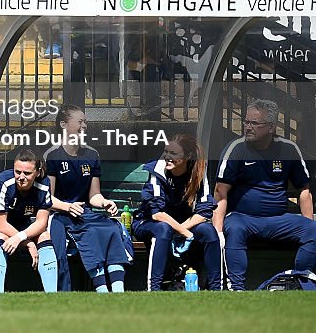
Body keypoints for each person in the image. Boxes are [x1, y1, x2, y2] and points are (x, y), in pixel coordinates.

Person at [214, 99, 316, 290]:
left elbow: (304, 190)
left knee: (313, 230)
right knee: (234, 229)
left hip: (278, 219)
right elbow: (221, 191)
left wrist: (307, 222)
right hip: (243, 218)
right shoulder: (236, 149)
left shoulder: (288, 149)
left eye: (254, 123)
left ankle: (302, 281)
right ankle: (237, 288)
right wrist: (218, 232)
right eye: (246, 122)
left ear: (271, 127)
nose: (248, 127)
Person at [44, 105, 129, 292]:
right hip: (61, 215)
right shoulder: (52, 155)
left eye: (86, 122)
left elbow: (94, 196)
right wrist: (67, 207)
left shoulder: (92, 154)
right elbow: (47, 198)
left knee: (112, 227)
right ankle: (102, 290)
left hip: (85, 213)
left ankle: (118, 290)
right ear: (63, 124)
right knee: (90, 233)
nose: (84, 126)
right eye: (80, 121)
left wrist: (105, 202)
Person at [132, 134, 221, 291]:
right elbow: (157, 214)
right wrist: (186, 234)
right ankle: (154, 289)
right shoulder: (157, 170)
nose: (167, 157)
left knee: (208, 230)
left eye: (173, 153)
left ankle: (216, 290)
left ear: (187, 156)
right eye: (166, 151)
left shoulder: (199, 170)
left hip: (182, 224)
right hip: (148, 223)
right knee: (163, 229)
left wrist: (181, 230)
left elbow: (205, 211)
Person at [0, 149, 58, 293]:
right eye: (17, 172)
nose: (21, 177)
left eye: (27, 173)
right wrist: (27, 242)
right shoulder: (3, 181)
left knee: (45, 236)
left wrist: (20, 237)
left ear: (37, 172)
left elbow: (42, 223)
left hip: (17, 229)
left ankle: (52, 295)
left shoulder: (44, 183)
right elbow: (0, 224)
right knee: (0, 238)